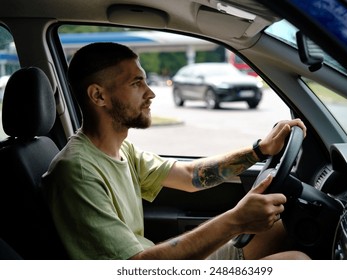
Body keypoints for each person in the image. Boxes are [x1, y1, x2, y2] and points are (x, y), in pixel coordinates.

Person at [42, 42, 309, 260]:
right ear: (98, 96)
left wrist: (259, 150)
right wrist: (235, 220)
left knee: (275, 227)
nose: (151, 93)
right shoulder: (76, 170)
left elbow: (190, 175)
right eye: (136, 83)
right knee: (298, 264)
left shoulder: (123, 150)